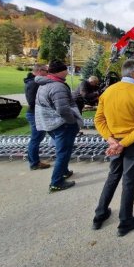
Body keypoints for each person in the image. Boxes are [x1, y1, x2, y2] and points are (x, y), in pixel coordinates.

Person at [92, 59, 134, 237]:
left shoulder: (107, 92)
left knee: (113, 176)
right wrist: (123, 144)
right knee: (129, 181)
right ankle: (125, 222)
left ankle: (99, 216)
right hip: (132, 142)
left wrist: (111, 140)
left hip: (114, 142)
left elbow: (98, 120)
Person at [35, 60, 83, 193]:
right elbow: (63, 109)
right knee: (63, 152)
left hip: (51, 123)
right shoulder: (58, 87)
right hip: (62, 124)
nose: (67, 72)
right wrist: (72, 121)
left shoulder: (45, 84)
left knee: (62, 149)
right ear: (60, 71)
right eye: (66, 69)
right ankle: (56, 182)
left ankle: (64, 171)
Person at [23, 64, 51, 170]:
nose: (47, 73)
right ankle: (34, 163)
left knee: (37, 138)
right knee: (36, 138)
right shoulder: (33, 83)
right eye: (46, 71)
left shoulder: (35, 82)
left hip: (36, 114)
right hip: (34, 114)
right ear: (39, 71)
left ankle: (34, 161)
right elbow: (31, 102)